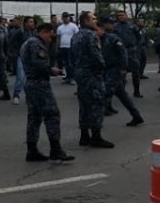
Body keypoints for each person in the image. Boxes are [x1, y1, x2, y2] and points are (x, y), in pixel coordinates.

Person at [20, 23, 75, 162]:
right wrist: (52, 70)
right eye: (51, 35)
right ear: (44, 32)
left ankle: (32, 150)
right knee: (52, 115)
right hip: (39, 84)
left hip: (31, 83)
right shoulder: (36, 45)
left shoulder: (29, 43)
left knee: (34, 117)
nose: (52, 38)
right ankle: (55, 149)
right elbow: (39, 64)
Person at [71, 11, 115, 149]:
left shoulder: (76, 35)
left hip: (80, 73)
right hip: (92, 74)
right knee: (96, 103)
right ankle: (96, 136)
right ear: (85, 21)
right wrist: (102, 67)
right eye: (93, 19)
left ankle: (84, 135)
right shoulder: (91, 35)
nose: (95, 21)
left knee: (84, 104)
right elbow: (96, 55)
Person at [98, 16, 144, 127]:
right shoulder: (99, 40)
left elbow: (122, 53)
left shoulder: (113, 38)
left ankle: (95, 121)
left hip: (114, 70)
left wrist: (123, 68)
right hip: (107, 70)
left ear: (102, 28)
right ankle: (136, 116)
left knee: (104, 94)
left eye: (97, 30)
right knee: (123, 96)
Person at [114, 10, 143, 98]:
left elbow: (139, 37)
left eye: (122, 15)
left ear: (126, 16)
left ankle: (137, 91)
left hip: (132, 51)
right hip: (120, 51)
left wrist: (136, 46)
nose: (121, 17)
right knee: (122, 73)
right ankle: (122, 93)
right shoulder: (115, 27)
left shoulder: (132, 26)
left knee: (136, 72)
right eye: (119, 16)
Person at [10, 17, 36, 104]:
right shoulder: (20, 32)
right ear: (25, 23)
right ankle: (16, 95)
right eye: (30, 22)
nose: (32, 23)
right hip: (21, 57)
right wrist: (15, 52)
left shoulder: (33, 32)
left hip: (31, 58)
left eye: (32, 22)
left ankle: (30, 96)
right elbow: (11, 42)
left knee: (31, 77)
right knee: (20, 77)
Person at [57, 13, 78, 84]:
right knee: (65, 63)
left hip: (71, 47)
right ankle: (68, 77)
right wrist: (58, 46)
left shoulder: (73, 26)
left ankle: (72, 77)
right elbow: (58, 38)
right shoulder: (60, 27)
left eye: (67, 17)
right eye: (64, 17)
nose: (66, 18)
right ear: (62, 18)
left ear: (69, 18)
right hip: (63, 47)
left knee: (71, 63)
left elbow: (77, 36)